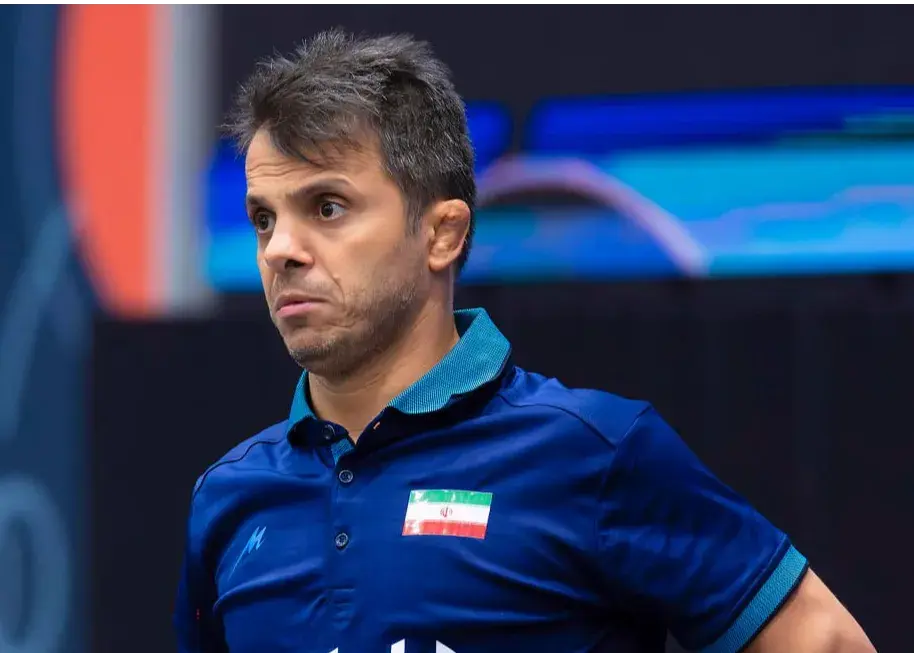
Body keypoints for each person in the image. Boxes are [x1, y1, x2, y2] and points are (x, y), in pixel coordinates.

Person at [174, 29, 875, 653]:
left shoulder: (595, 452)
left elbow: (825, 643)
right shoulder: (230, 496)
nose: (280, 249)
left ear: (442, 234)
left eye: (327, 207)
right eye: (263, 219)